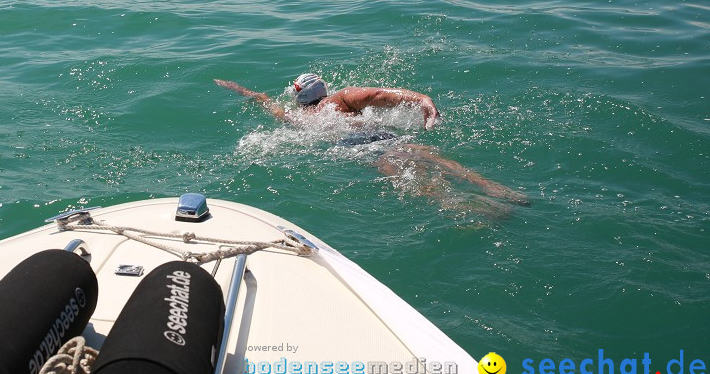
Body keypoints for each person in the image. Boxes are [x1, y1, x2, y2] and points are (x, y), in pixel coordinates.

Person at [215, 73, 529, 209]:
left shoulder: (298, 118)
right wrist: (423, 100)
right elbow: (381, 96)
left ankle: (459, 207)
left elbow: (264, 100)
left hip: (355, 148)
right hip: (381, 135)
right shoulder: (340, 99)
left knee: (398, 172)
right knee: (429, 156)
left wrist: (239, 90)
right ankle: (495, 189)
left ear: (299, 96)